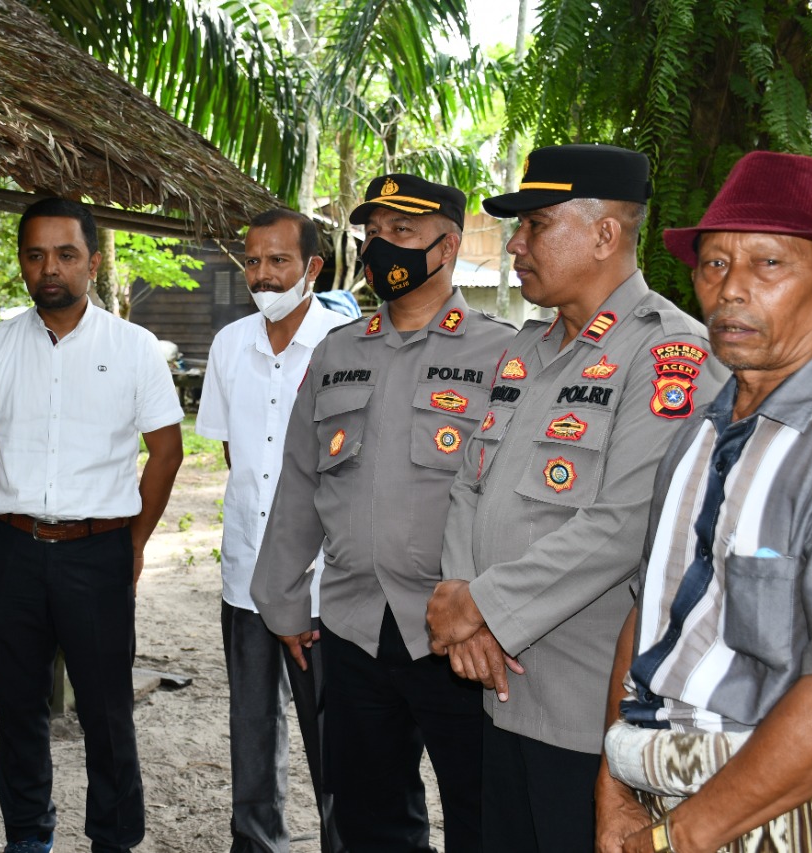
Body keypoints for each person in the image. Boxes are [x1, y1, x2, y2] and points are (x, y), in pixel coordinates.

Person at [425, 143, 727, 852]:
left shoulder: (666, 355)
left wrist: (483, 608)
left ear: (604, 234)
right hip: (498, 690)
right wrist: (461, 597)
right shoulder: (526, 350)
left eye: (537, 224)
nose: (518, 244)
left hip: (587, 709)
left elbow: (626, 524)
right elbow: (469, 482)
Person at [596, 151, 812, 853]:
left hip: (777, 811)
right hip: (661, 796)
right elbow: (650, 610)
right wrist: (613, 790)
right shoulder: (699, 432)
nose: (730, 290)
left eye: (768, 265)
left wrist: (677, 838)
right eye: (715, 264)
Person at [252, 174, 517, 852]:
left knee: (481, 813)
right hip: (353, 628)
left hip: (457, 631)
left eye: (402, 232)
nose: (382, 247)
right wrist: (282, 601)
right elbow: (301, 483)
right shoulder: (338, 352)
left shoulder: (503, 354)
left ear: (448, 245)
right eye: (374, 233)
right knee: (369, 819)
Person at [0, 197, 184, 853]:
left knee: (107, 711)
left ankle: (113, 838)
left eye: (66, 253)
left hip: (96, 552)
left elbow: (167, 453)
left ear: (93, 261)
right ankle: (28, 837)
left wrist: (131, 542)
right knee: (18, 708)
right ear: (23, 262)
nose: (51, 267)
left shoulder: (133, 349)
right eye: (36, 254)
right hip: (13, 550)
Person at [196, 208, 349, 853]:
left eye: (278, 261)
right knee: (252, 730)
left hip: (324, 587)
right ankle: (256, 843)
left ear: (312, 268)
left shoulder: (349, 342)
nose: (262, 275)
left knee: (334, 740)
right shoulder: (232, 343)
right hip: (245, 579)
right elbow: (237, 454)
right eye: (252, 261)